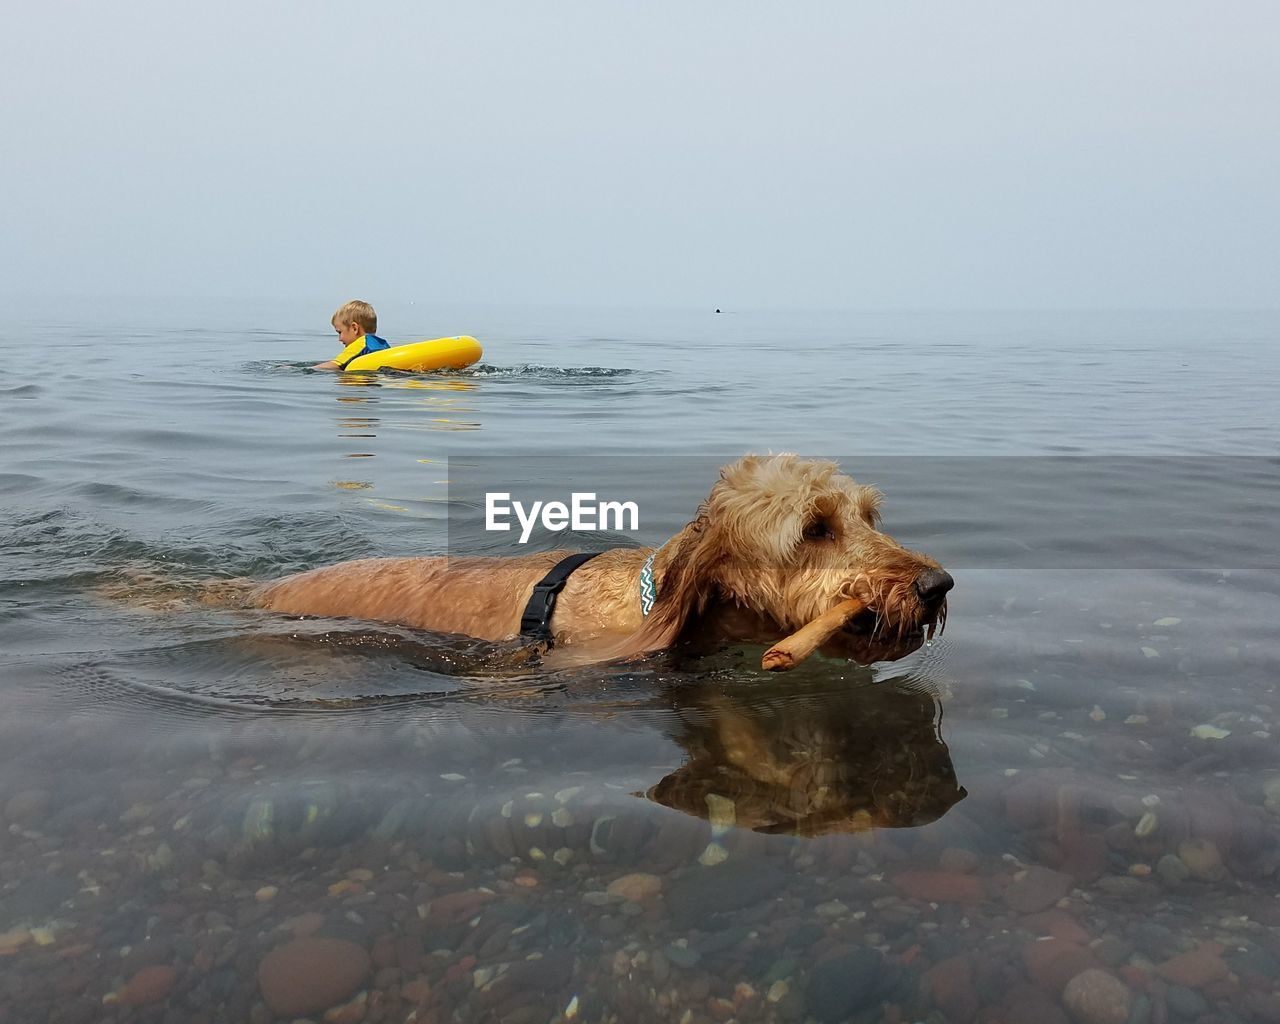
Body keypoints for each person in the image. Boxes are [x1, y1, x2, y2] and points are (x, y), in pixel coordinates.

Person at [313, 300, 392, 370]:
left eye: (340, 332)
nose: (339, 339)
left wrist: (309, 370)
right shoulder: (383, 344)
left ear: (354, 328)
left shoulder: (360, 344)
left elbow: (335, 365)